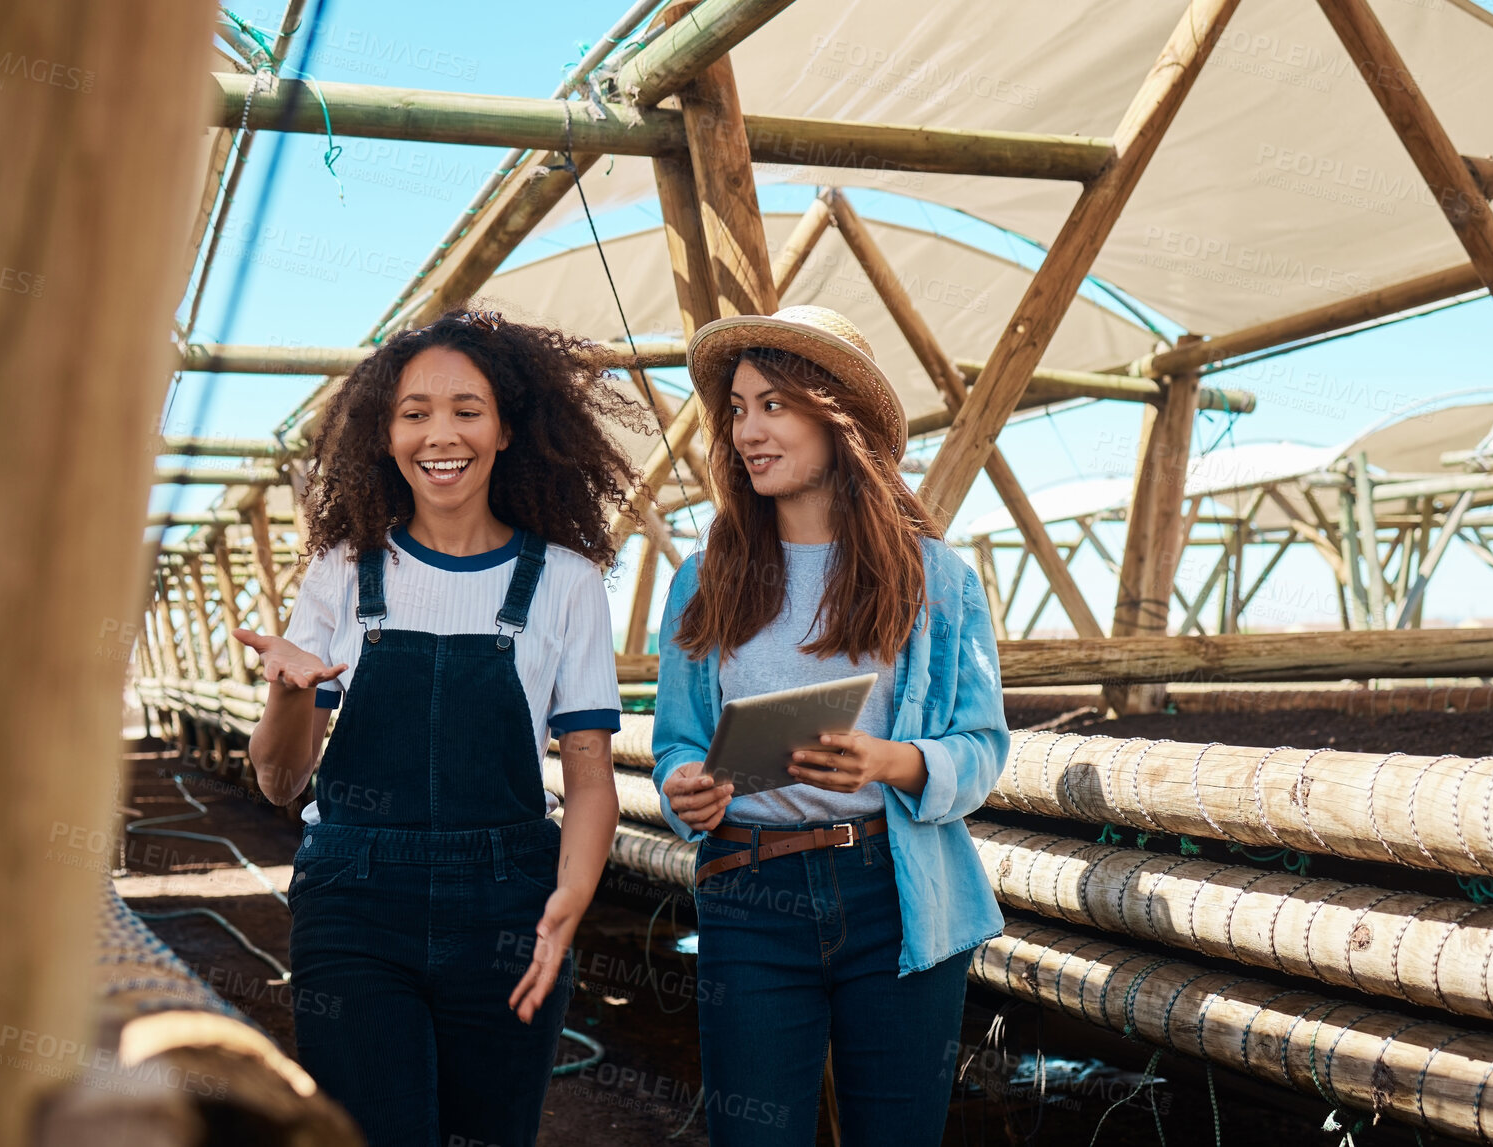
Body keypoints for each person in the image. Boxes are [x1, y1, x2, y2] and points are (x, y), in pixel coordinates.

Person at [235, 311, 641, 1147]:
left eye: (467, 408)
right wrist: (286, 694)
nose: (440, 434)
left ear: (506, 428)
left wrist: (568, 902)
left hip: (508, 906)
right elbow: (279, 782)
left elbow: (592, 776)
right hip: (354, 901)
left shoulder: (565, 582)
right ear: (384, 436)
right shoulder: (344, 571)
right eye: (414, 413)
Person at [650, 305, 1011, 1146]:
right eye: (737, 409)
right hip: (748, 890)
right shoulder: (704, 578)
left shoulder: (937, 579)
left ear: (835, 416)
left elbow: (982, 744)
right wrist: (683, 789)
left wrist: (893, 761)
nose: (748, 430)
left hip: (897, 892)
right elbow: (675, 738)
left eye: (773, 404)